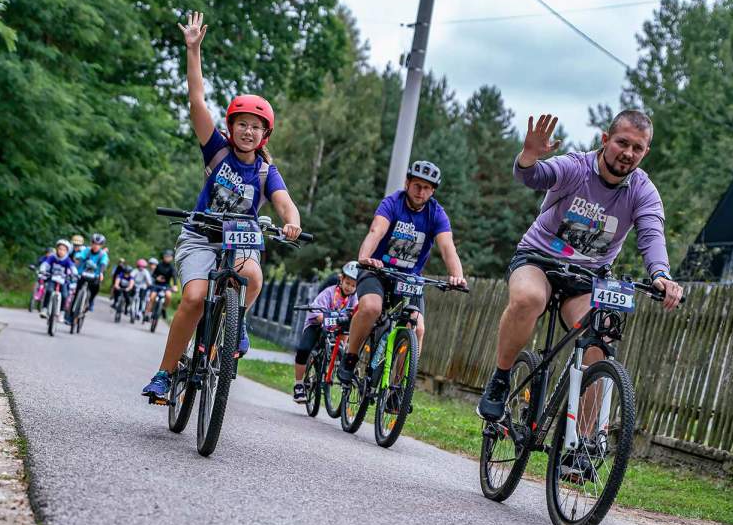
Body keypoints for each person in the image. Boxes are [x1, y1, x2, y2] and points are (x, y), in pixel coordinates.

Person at [476, 110, 684, 421]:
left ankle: (580, 448)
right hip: (539, 259)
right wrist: (529, 157)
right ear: (605, 140)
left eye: (637, 148)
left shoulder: (643, 191)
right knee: (528, 299)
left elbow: (652, 235)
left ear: (645, 152)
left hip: (588, 277)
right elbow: (534, 176)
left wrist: (661, 275)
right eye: (622, 143)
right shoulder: (576, 167)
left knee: (602, 337)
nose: (628, 154)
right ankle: (501, 379)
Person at [142, 11, 303, 402]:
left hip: (239, 243)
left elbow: (285, 204)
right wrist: (193, 49)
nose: (248, 131)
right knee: (194, 298)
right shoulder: (216, 151)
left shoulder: (266, 171)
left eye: (256, 126)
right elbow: (196, 99)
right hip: (200, 236)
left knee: (253, 275)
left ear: (265, 134)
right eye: (242, 124)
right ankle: (166, 373)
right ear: (231, 128)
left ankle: (236, 324)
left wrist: (292, 223)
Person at [337, 160, 466, 385]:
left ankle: (397, 388)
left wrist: (457, 275)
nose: (421, 191)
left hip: (409, 280)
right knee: (371, 308)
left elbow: (448, 248)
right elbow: (376, 231)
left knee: (417, 329)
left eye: (427, 188)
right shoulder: (392, 203)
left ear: (433, 191)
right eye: (417, 185)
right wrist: (364, 258)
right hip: (376, 270)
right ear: (407, 183)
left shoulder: (437, 214)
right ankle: (351, 357)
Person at [293, 262, 359, 404]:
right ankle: (298, 384)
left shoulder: (354, 298)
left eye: (353, 286)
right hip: (317, 325)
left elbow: (355, 313)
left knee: (345, 347)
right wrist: (327, 317)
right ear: (341, 279)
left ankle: (336, 367)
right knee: (304, 349)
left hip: (339, 329)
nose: (349, 288)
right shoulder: (328, 292)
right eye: (347, 283)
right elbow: (317, 313)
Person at [39, 239, 77, 318]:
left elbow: (72, 267)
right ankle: (45, 309)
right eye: (59, 249)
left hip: (63, 280)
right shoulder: (53, 257)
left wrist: (75, 274)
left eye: (64, 250)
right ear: (56, 249)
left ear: (67, 251)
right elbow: (45, 264)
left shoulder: (67, 260)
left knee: (64, 295)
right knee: (49, 290)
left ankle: (62, 312)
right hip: (52, 278)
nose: (61, 251)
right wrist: (42, 270)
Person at [77, 233, 109, 311]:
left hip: (95, 275)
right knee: (77, 291)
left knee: (95, 287)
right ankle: (71, 314)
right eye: (94, 243)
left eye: (98, 244)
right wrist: (78, 259)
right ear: (91, 243)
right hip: (82, 273)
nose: (96, 246)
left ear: (101, 246)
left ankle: (90, 301)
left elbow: (103, 263)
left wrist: (101, 273)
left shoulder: (103, 254)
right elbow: (80, 256)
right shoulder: (87, 250)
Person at [145, 252, 178, 322]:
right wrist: (157, 278)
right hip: (157, 284)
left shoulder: (172, 267)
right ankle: (147, 314)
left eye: (170, 257)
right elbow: (153, 274)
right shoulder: (159, 265)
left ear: (172, 258)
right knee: (152, 297)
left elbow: (174, 277)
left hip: (166, 285)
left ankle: (163, 308)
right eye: (166, 256)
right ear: (163, 257)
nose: (168, 258)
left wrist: (175, 286)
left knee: (168, 296)